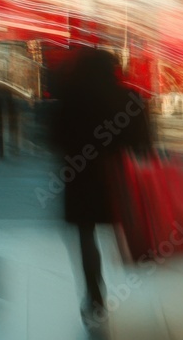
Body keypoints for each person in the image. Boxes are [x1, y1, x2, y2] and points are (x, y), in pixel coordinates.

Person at [50, 46, 152, 323]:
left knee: (86, 234)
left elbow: (55, 138)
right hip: (120, 175)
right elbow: (143, 142)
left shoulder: (71, 97)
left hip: (81, 175)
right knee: (128, 222)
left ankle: (94, 294)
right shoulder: (130, 97)